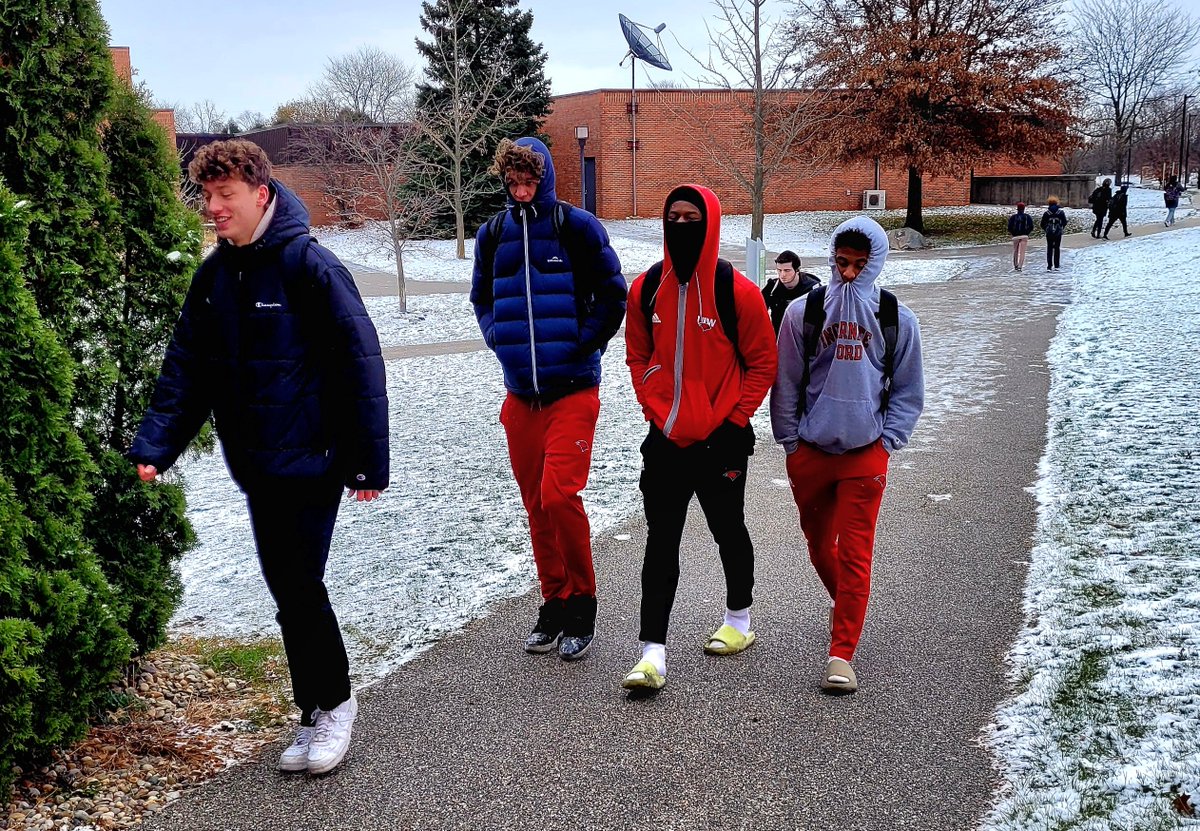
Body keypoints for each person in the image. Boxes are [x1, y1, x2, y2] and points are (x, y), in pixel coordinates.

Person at [128, 139, 389, 775]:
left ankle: (336, 703)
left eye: (226, 196)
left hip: (314, 458)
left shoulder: (310, 267)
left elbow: (361, 365)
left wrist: (366, 463)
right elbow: (187, 369)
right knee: (287, 587)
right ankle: (313, 708)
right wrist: (157, 444)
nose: (214, 209)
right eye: (207, 197)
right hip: (257, 463)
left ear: (261, 195)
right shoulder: (215, 276)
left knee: (298, 583)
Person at [470, 137, 626, 662]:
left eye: (528, 181)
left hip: (573, 390)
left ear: (545, 177)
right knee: (536, 505)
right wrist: (500, 340)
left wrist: (583, 344)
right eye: (512, 183)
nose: (520, 191)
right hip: (521, 397)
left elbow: (613, 293)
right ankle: (554, 602)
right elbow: (481, 299)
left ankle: (583, 604)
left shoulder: (576, 227)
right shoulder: (493, 234)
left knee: (560, 496)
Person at [620, 184, 777, 692]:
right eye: (673, 216)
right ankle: (652, 654)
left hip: (723, 442)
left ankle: (739, 622)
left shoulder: (739, 292)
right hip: (665, 441)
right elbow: (637, 356)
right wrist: (654, 404)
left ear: (709, 223)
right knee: (661, 542)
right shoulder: (645, 290)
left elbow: (763, 363)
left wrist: (733, 420)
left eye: (691, 217)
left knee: (728, 530)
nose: (681, 225)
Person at [769, 216, 924, 694]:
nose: (850, 273)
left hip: (865, 454)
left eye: (860, 264)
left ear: (876, 262)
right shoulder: (803, 313)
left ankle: (842, 652)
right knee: (820, 547)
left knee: (856, 551)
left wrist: (889, 441)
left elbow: (907, 388)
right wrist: (791, 443)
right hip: (812, 451)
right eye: (842, 263)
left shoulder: (897, 318)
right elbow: (787, 382)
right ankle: (848, 608)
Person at [762, 250, 820, 335]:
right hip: (779, 340)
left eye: (787, 270)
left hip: (806, 341)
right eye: (779, 270)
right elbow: (757, 314)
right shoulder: (772, 288)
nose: (782, 275)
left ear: (797, 270)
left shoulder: (813, 289)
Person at [1040, 196, 1068, 271]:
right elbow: (1065, 222)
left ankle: (1049, 266)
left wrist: (1046, 229)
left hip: (1049, 233)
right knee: (1057, 248)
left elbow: (1042, 224)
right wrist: (1061, 228)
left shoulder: (1047, 213)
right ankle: (1056, 265)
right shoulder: (1060, 212)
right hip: (1058, 233)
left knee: (1049, 248)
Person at [1007, 202, 1034, 271]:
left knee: (1015, 251)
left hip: (1015, 236)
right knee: (1022, 252)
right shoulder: (1028, 217)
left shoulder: (1013, 217)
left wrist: (1013, 233)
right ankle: (1020, 266)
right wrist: (1027, 233)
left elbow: (1009, 227)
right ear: (1024, 209)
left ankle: (1015, 265)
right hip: (1024, 236)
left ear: (1017, 209)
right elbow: (1031, 226)